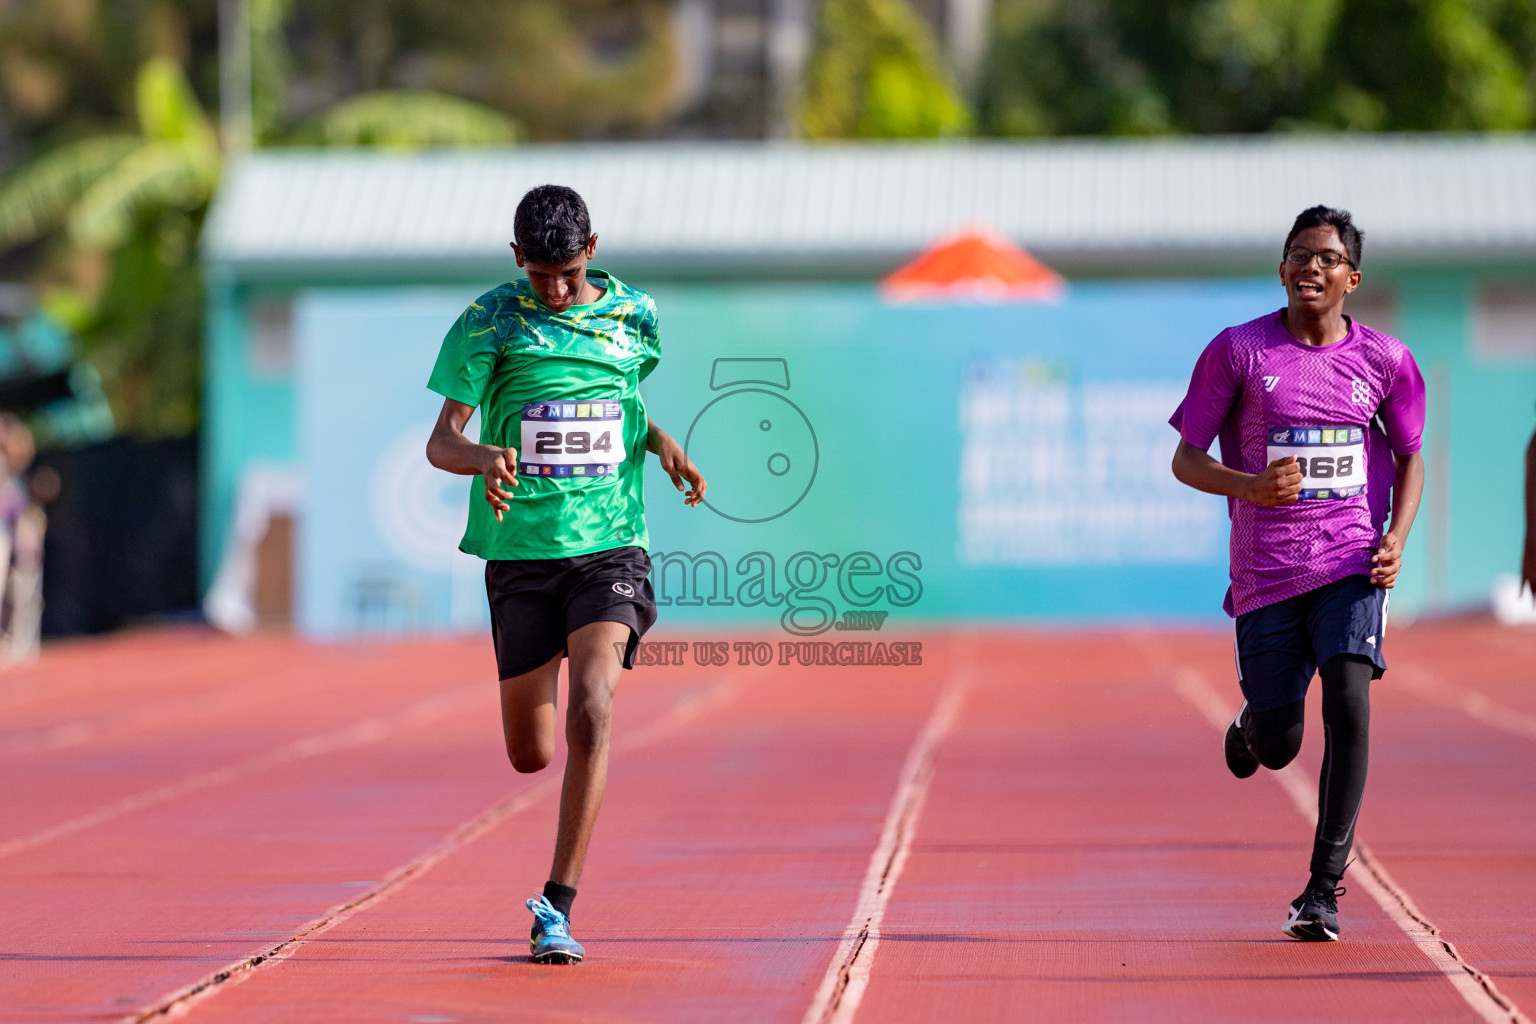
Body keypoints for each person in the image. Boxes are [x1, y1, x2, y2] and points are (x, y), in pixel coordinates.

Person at [425, 184, 706, 964]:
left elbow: (623, 401)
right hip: (520, 556)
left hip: (611, 547)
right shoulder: (489, 321)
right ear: (517, 259)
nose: (554, 291)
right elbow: (441, 442)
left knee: (593, 707)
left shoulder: (634, 315)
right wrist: (483, 455)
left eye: (568, 274)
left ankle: (558, 907)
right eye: (540, 275)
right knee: (531, 754)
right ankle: (549, 657)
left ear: (593, 252)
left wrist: (663, 444)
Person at [1169, 206, 1425, 942]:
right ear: (1282, 270)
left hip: (1351, 563)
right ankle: (1252, 732)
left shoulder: (1385, 361)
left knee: (1350, 703)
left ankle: (1323, 889)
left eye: (1326, 257)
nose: (1310, 266)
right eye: (1297, 255)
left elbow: (1410, 457)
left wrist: (1396, 540)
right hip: (1268, 575)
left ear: (1352, 277)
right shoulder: (1239, 352)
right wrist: (1250, 486)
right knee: (1282, 743)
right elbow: (1185, 459)